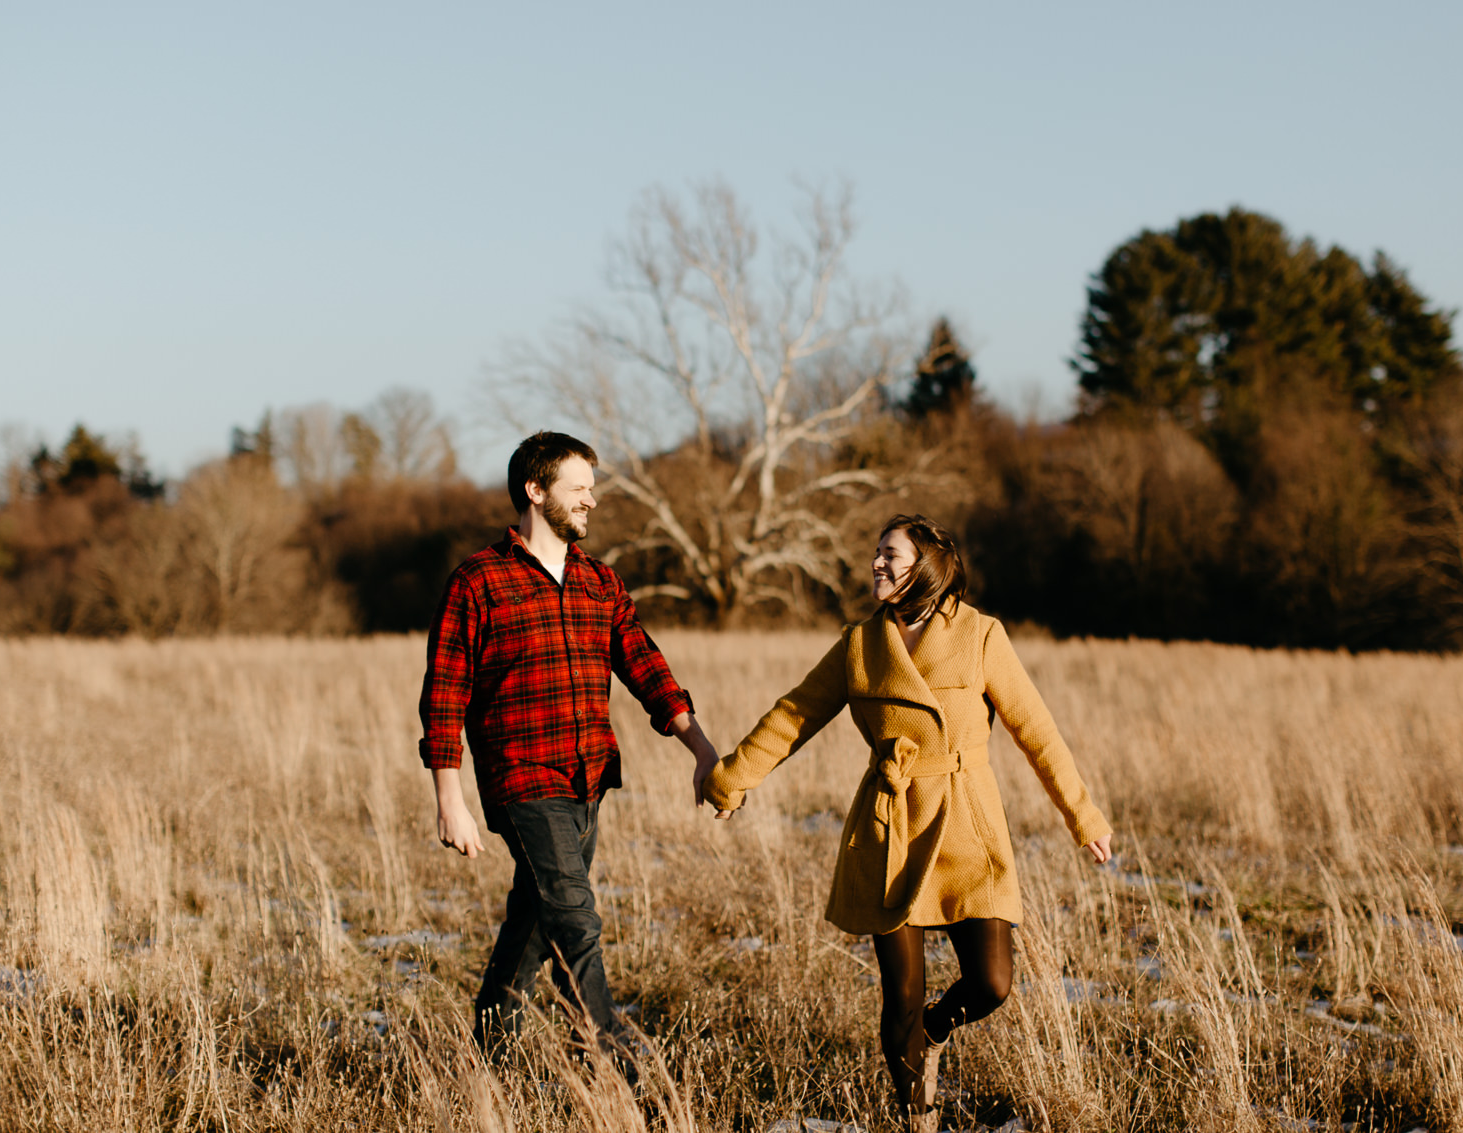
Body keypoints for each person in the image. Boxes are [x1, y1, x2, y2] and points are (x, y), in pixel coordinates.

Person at [701, 514, 1113, 1133]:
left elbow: (1038, 732)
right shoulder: (859, 644)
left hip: (968, 821)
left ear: (926, 566)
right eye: (876, 553)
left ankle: (937, 1029)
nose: (877, 563)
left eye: (890, 554)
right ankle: (916, 1113)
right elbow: (794, 715)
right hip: (890, 825)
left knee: (993, 983)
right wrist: (732, 777)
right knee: (901, 992)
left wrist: (1082, 815)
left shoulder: (979, 636)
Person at [419, 430, 721, 1062]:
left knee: (535, 922)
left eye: (592, 489)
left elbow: (644, 666)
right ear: (535, 490)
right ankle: (614, 1068)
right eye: (577, 489)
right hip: (522, 779)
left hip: (589, 777)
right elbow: (445, 692)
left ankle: (491, 1057)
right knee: (577, 921)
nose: (590, 501)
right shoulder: (478, 581)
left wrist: (700, 745)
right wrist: (449, 798)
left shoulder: (598, 583)